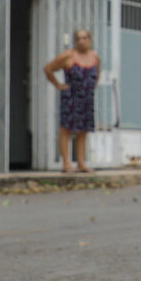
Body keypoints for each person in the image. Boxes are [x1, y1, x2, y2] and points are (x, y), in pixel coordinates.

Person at [44, 29, 101, 174]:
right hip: (71, 96)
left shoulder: (95, 57)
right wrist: (58, 85)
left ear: (90, 40)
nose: (81, 41)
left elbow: (97, 74)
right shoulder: (68, 56)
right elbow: (48, 69)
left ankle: (81, 163)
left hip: (87, 97)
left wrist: (91, 87)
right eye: (78, 38)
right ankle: (67, 164)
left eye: (84, 38)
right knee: (67, 129)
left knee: (83, 130)